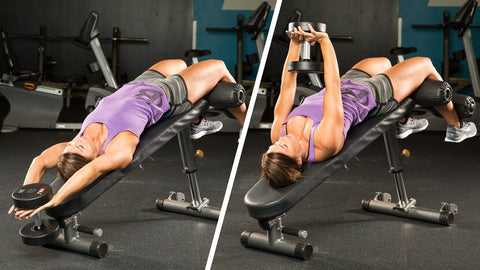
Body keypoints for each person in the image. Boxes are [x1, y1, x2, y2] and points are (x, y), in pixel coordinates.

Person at [9, 58, 247, 219]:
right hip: (170, 94)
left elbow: (39, 161)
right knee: (219, 67)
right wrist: (54, 200)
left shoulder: (73, 148)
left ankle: (196, 123)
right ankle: (243, 126)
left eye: (71, 145)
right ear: (94, 159)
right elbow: (90, 173)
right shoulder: (118, 148)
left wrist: (27, 198)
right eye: (79, 149)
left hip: (139, 84)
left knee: (180, 63)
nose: (76, 143)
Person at [261, 24, 477, 188]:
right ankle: (456, 127)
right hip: (371, 96)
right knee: (425, 64)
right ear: (298, 161)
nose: (281, 141)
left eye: (274, 145)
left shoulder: (279, 133)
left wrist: (295, 45)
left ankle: (402, 123)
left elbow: (287, 90)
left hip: (348, 84)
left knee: (382, 62)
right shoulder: (323, 142)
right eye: (284, 147)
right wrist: (325, 42)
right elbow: (332, 87)